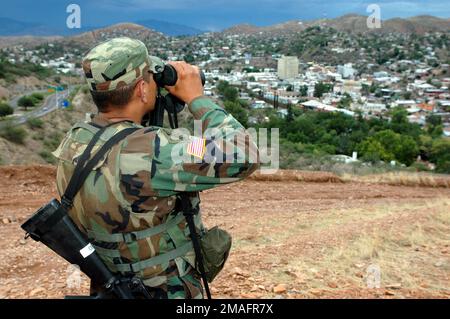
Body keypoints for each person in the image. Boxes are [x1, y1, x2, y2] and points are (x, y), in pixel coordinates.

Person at [52, 37, 260, 299]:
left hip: (111, 289)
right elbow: (243, 154)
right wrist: (197, 99)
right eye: (151, 77)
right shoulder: (156, 149)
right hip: (164, 291)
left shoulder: (74, 140)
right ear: (141, 89)